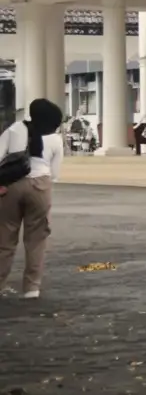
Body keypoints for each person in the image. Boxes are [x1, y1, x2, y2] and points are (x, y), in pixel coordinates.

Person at [0, 98, 64, 300]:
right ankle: (31, 288)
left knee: (5, 238)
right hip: (40, 186)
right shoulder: (55, 138)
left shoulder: (15, 129)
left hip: (11, 185)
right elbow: (55, 172)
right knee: (36, 239)